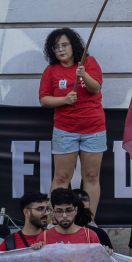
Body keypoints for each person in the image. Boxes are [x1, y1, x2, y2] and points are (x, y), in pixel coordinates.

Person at [39, 27, 104, 209]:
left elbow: (95, 87)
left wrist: (84, 74)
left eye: (64, 45)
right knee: (61, 177)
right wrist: (64, 100)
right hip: (65, 131)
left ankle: (88, 221)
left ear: (73, 45)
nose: (61, 49)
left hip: (94, 130)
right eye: (56, 46)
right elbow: (44, 99)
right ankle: (55, 220)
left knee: (91, 176)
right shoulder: (51, 70)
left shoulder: (88, 63)